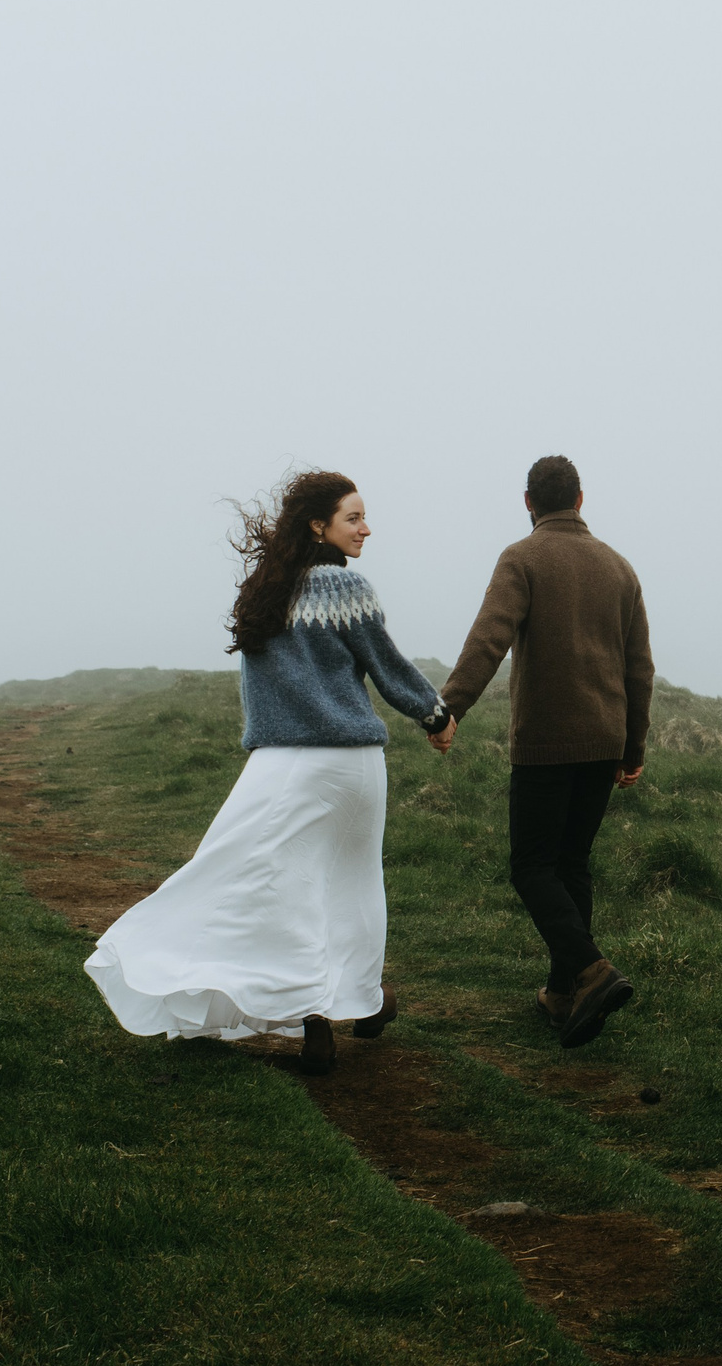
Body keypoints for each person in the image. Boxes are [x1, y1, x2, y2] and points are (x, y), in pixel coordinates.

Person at [84, 470, 452, 1074]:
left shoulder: (262, 592)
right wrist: (434, 714)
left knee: (267, 883)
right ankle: (364, 1000)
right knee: (353, 887)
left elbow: (263, 689)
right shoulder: (346, 589)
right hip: (358, 767)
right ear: (319, 525)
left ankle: (311, 1024)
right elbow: (388, 666)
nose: (366, 528)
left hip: (288, 765)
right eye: (353, 517)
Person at [434, 454, 653, 1049]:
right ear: (581, 500)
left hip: (546, 744)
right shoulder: (620, 568)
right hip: (604, 741)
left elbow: (489, 639)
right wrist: (632, 749)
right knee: (572, 864)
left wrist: (449, 707)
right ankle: (565, 997)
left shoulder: (522, 558)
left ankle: (591, 970)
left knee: (532, 867)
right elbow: (640, 670)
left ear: (528, 503)